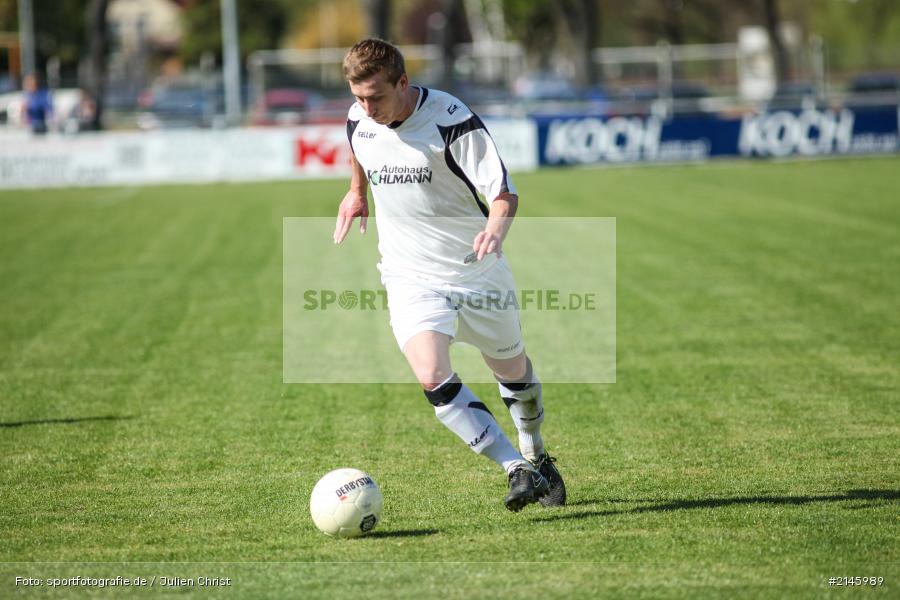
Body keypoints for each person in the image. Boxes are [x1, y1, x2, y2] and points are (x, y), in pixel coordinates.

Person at [333, 38, 565, 511]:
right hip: (408, 275)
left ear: (403, 82)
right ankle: (514, 469)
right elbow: (357, 142)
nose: (365, 107)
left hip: (476, 272)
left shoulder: (451, 120)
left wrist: (496, 232)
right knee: (433, 374)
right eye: (358, 97)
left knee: (514, 372)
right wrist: (356, 191)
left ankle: (535, 453)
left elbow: (503, 192)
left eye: (375, 96)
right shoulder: (360, 117)